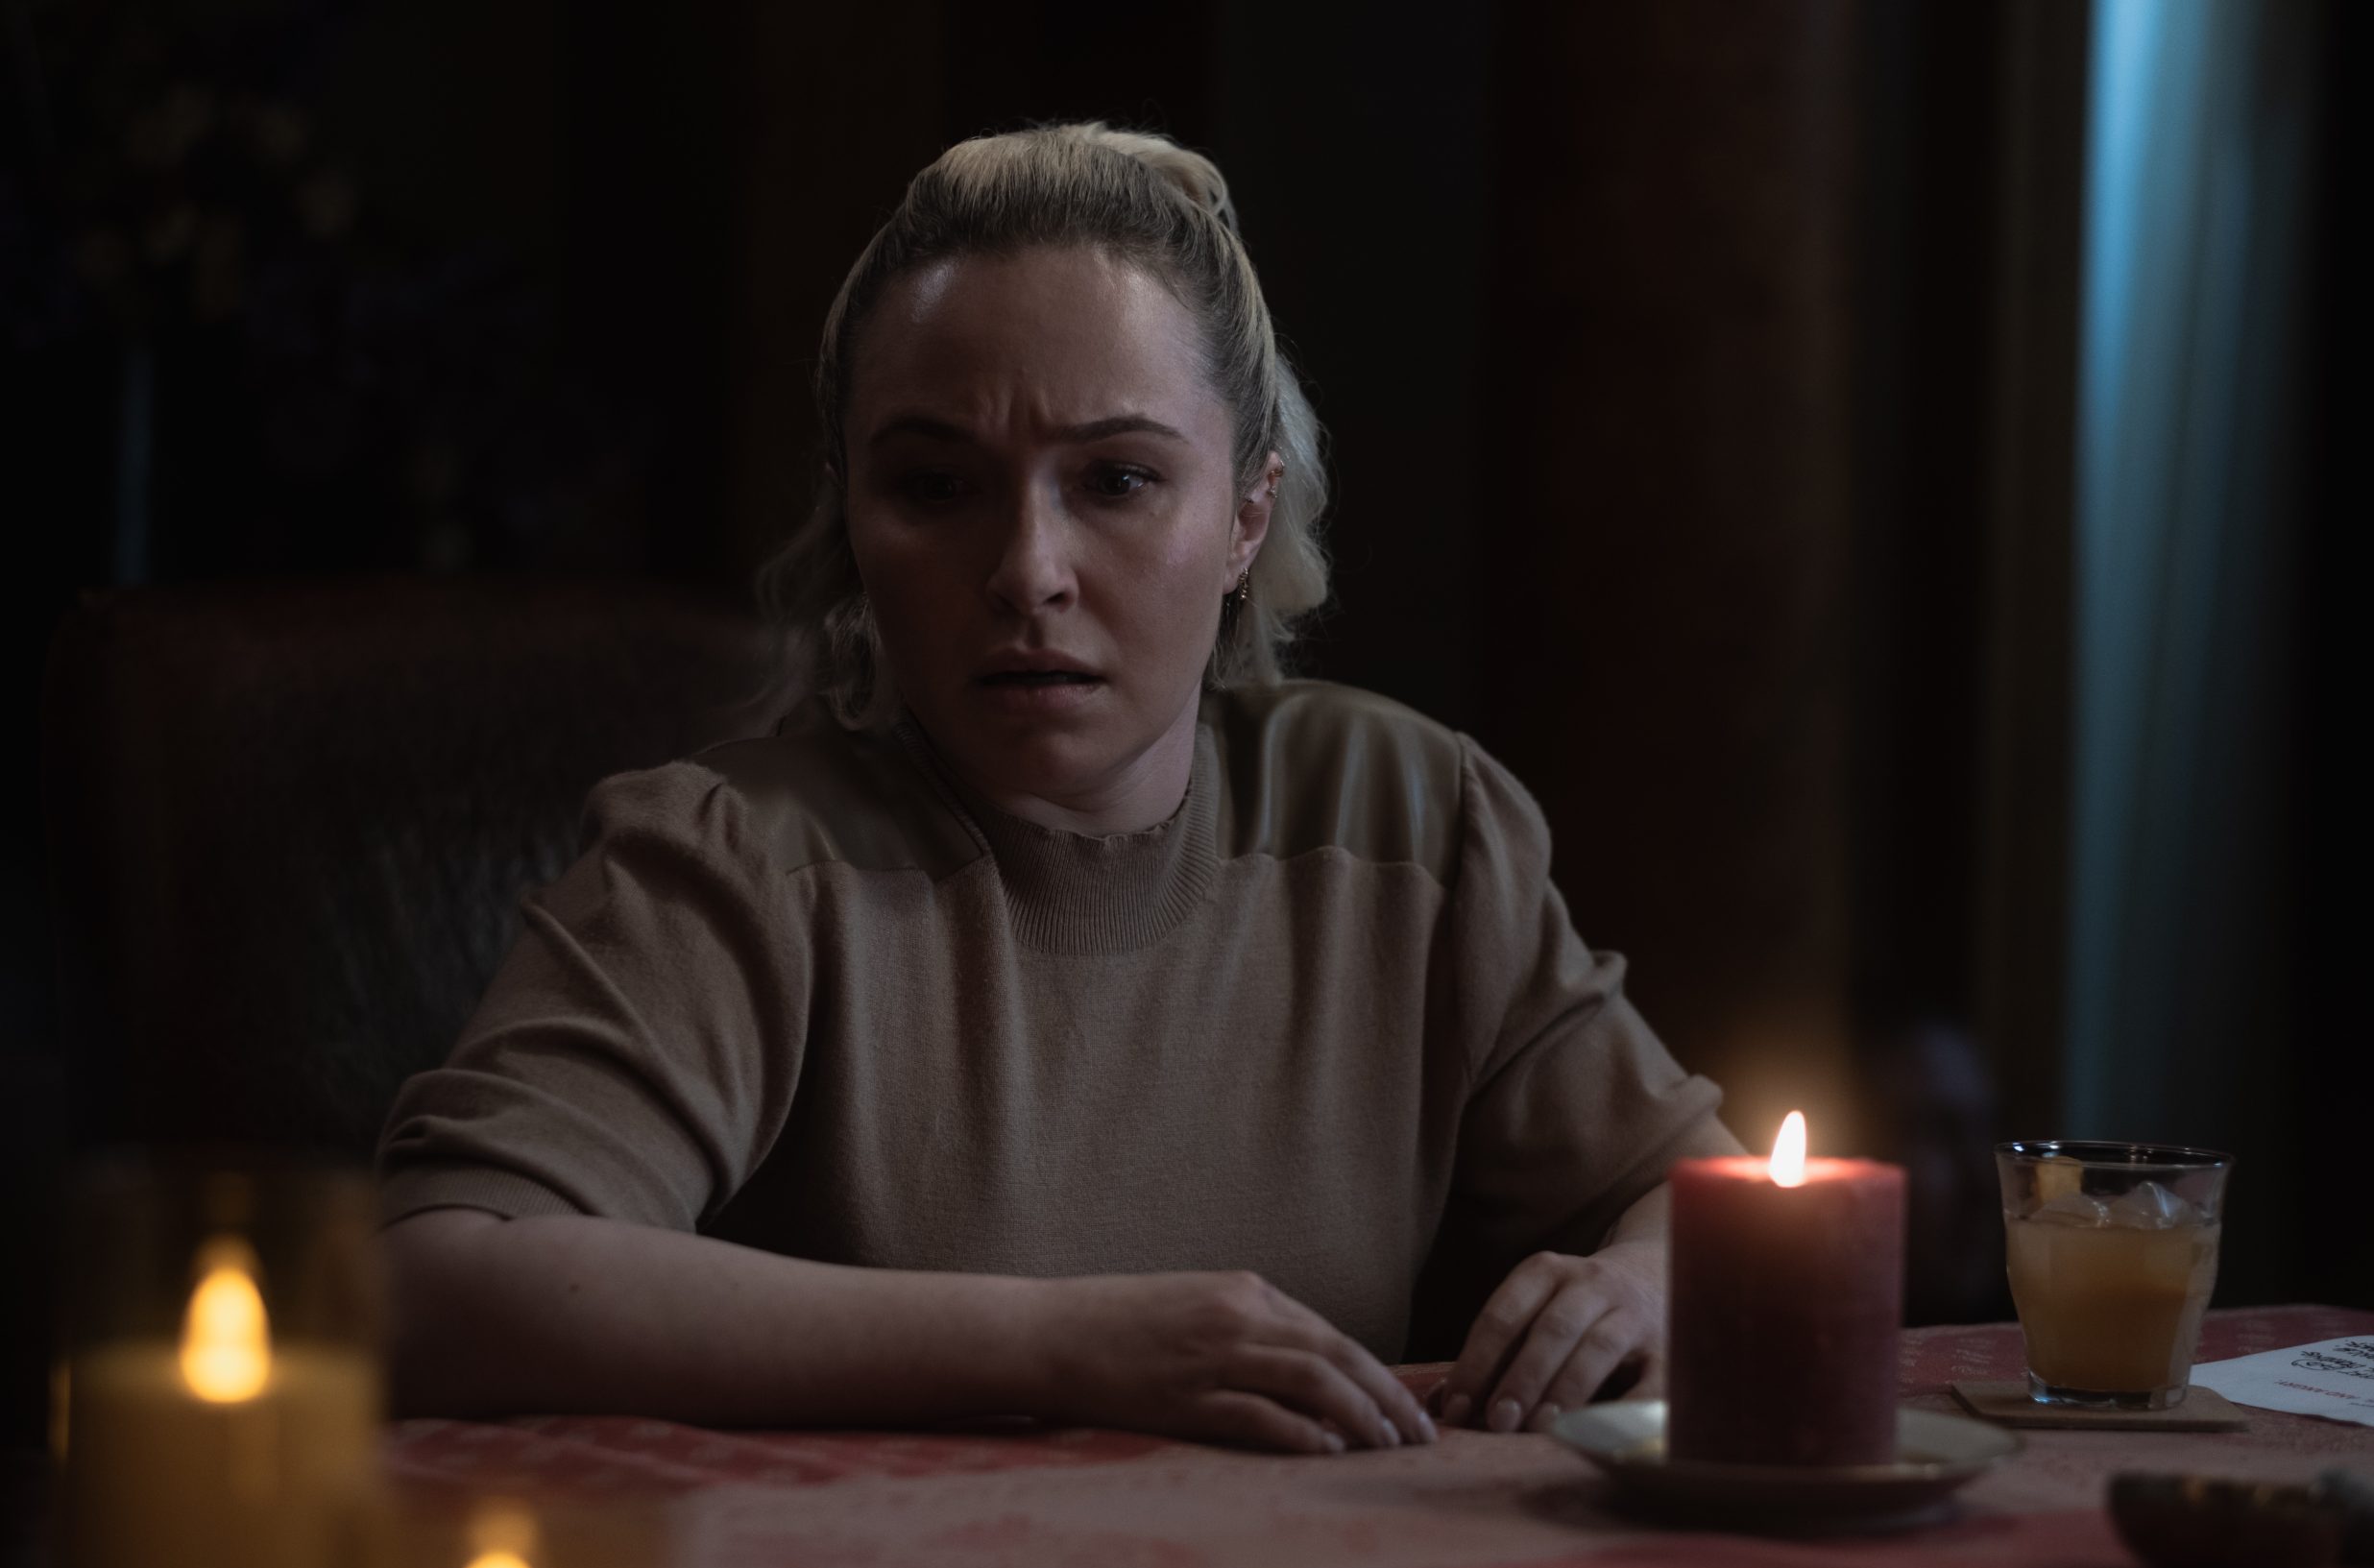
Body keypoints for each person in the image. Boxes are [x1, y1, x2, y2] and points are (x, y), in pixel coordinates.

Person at [377, 122, 1740, 1456]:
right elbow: (441, 1287)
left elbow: (1707, 1200)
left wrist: (1644, 1286)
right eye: (937, 485)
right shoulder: (734, 865)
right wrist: (1066, 1349)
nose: (1028, 567)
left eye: (1119, 479)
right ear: (854, 516)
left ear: (1246, 517)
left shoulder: (1405, 817)